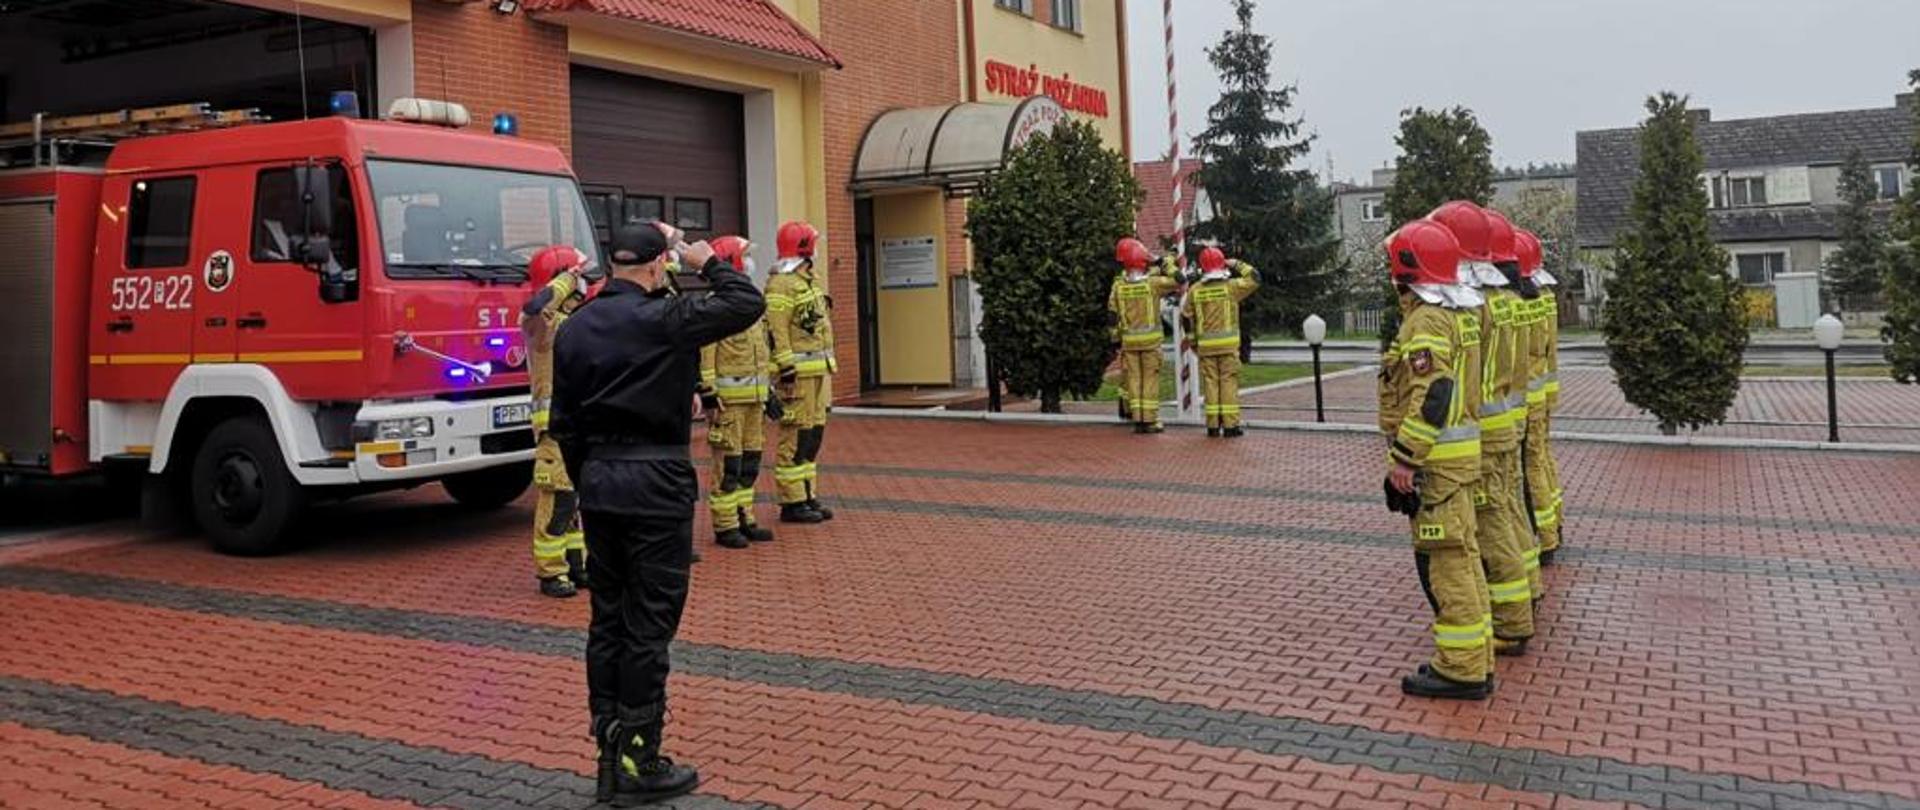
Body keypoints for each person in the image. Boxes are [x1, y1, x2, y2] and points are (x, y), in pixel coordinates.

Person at [551, 222, 765, 805]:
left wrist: (589, 476)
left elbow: (563, 424)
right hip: (657, 482)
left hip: (600, 483)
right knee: (649, 626)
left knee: (608, 621)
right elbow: (746, 302)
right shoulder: (667, 319)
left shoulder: (575, 326)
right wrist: (705, 259)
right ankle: (638, 761)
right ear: (654, 267)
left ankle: (608, 751)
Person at [1378, 218, 1492, 700]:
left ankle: (1460, 669)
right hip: (1460, 459)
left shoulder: (1425, 318)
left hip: (1437, 464)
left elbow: (1434, 390)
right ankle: (1474, 656)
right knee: (1464, 557)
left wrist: (1406, 458)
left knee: (1445, 564)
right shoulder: (1462, 311)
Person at [1431, 203, 1535, 655]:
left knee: (1488, 525)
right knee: (1506, 512)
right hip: (1503, 422)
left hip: (1480, 432)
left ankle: (1510, 622)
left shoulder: (1475, 308)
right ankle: (1522, 594)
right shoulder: (1505, 300)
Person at [697, 235, 781, 550]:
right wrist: (708, 393)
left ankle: (745, 517)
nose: (750, 263)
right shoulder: (715, 307)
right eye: (744, 257)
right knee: (728, 467)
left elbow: (762, 351)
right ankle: (725, 525)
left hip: (754, 402)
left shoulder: (750, 303)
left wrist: (769, 391)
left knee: (749, 464)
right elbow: (706, 355)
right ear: (732, 262)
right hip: (728, 404)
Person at [523, 245, 592, 598]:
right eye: (579, 275)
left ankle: (576, 564)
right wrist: (569, 277)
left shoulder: (575, 319)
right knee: (559, 499)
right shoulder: (541, 325)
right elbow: (536, 306)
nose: (583, 283)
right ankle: (550, 572)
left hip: (579, 426)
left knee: (577, 500)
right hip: (554, 429)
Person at [765, 220, 836, 524]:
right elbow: (777, 332)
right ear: (805, 245)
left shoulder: (808, 278)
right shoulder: (781, 283)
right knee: (794, 437)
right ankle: (791, 502)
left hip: (817, 372)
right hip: (797, 375)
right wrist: (786, 370)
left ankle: (808, 494)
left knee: (812, 434)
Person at [1516, 229, 1566, 568]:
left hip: (1523, 398)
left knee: (1530, 467)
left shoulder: (1520, 298)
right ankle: (1552, 525)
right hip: (1541, 391)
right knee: (1541, 460)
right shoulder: (1542, 294)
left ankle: (1545, 536)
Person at [1181, 246, 1259, 437]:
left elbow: (1185, 317)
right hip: (1228, 346)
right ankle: (1231, 426)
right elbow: (1256, 278)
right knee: (1228, 383)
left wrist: (1192, 342)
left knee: (1211, 384)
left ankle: (1213, 426)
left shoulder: (1195, 290)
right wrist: (1236, 264)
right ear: (1221, 263)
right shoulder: (1231, 287)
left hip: (1206, 348)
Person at [1108, 238, 1181, 434]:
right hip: (1150, 342)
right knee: (1149, 379)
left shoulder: (1118, 286)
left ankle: (1138, 419)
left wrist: (1115, 339)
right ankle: (1149, 421)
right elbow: (1179, 279)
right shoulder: (1153, 284)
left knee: (1134, 380)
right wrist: (1166, 263)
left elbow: (1112, 315)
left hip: (1129, 342)